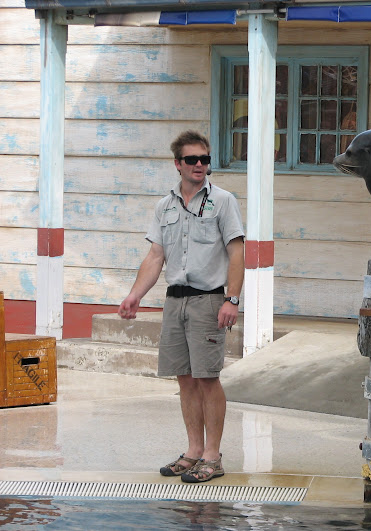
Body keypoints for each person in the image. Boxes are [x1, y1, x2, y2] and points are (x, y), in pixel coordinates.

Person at [118, 130, 245, 483]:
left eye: (205, 160)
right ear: (178, 164)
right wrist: (135, 295)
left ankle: (212, 455)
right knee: (185, 379)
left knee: (207, 377)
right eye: (192, 160)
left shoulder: (223, 201)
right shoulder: (165, 206)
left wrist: (231, 299)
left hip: (209, 300)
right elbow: (155, 255)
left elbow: (237, 252)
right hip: (175, 301)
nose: (200, 165)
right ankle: (192, 451)